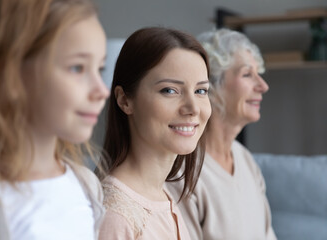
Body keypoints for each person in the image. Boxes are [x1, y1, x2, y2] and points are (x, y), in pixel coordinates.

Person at [0, 0, 109, 239]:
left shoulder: (86, 185)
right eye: (78, 68)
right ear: (11, 73)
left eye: (100, 69)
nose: (101, 90)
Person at [98, 27, 211, 240]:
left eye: (201, 91)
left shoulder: (164, 197)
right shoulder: (115, 216)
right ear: (124, 100)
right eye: (170, 90)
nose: (193, 108)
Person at [167, 28, 277, 240]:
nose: (263, 86)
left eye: (259, 74)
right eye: (247, 74)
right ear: (211, 87)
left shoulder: (245, 159)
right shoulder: (183, 171)